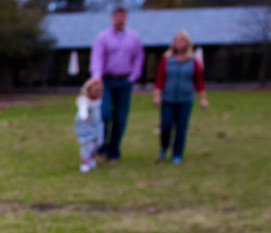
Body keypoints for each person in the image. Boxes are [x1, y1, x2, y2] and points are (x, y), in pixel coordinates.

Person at [90, 5, 145, 162]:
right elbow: (97, 58)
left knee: (120, 118)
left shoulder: (133, 37)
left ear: (126, 18)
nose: (119, 19)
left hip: (124, 81)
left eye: (122, 16)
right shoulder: (103, 37)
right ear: (112, 18)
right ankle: (102, 147)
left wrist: (134, 76)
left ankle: (114, 150)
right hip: (106, 81)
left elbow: (138, 57)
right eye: (117, 16)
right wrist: (97, 76)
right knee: (104, 114)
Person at [153, 30, 209, 165]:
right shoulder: (166, 59)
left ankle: (177, 154)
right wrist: (157, 95)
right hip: (168, 99)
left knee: (181, 128)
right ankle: (164, 147)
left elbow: (199, 81)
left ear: (187, 43)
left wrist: (203, 98)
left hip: (185, 100)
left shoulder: (193, 61)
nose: (178, 42)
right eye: (176, 40)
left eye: (181, 40)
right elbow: (160, 78)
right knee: (165, 125)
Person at [74, 77, 105, 173]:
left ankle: (91, 157)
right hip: (86, 125)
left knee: (97, 143)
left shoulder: (98, 100)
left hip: (97, 125)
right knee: (88, 144)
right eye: (95, 90)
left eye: (99, 91)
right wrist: (85, 117)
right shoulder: (84, 100)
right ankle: (85, 161)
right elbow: (83, 109)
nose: (97, 93)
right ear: (88, 90)